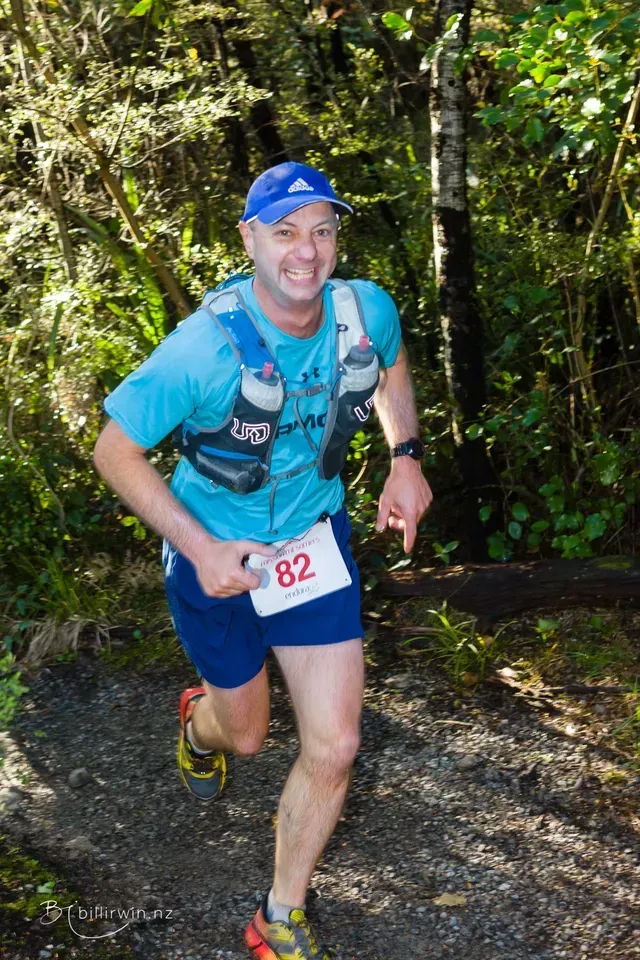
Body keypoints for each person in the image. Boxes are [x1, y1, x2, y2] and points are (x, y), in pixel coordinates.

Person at [93, 161, 433, 959]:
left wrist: (405, 456)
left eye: (321, 230)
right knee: (244, 737)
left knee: (336, 745)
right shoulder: (203, 349)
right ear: (250, 238)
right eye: (284, 231)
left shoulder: (364, 311)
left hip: (312, 543)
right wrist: (200, 545)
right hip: (213, 558)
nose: (306, 251)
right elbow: (114, 450)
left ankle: (279, 917)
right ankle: (199, 723)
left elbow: (391, 368)